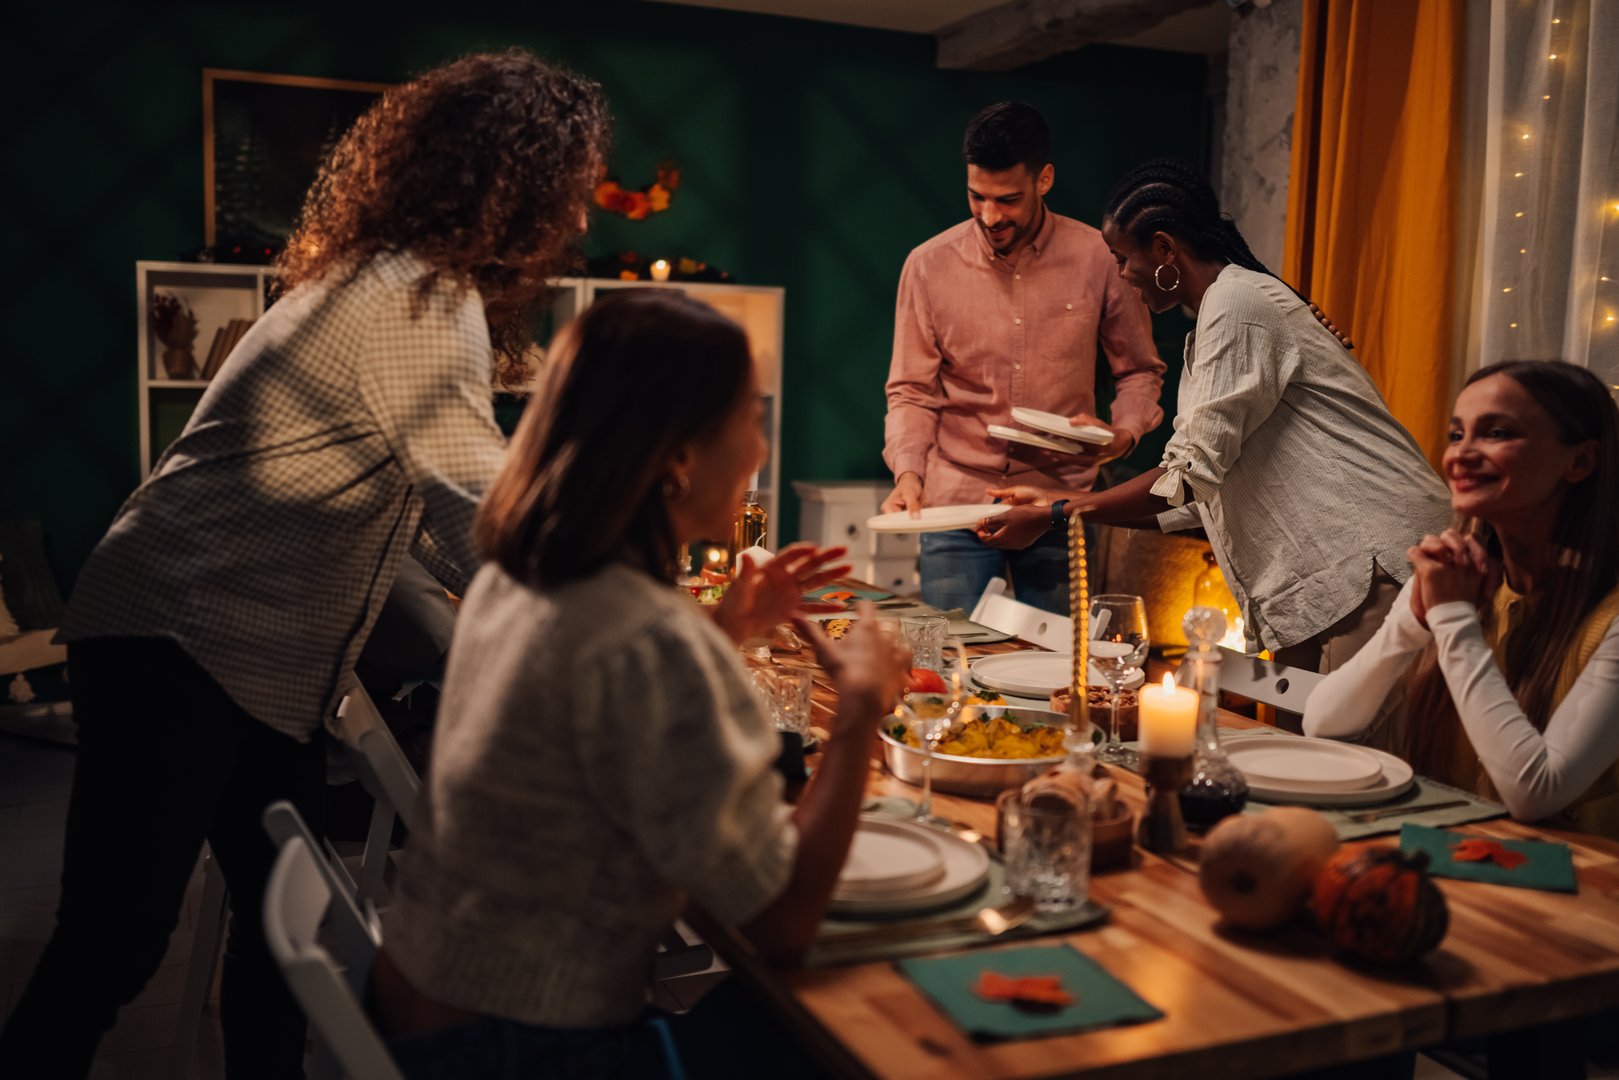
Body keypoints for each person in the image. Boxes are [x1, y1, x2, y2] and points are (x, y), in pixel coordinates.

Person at [0, 51, 611, 1080]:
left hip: (232, 658)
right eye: (570, 194)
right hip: (180, 638)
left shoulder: (381, 279)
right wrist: (618, 602)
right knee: (112, 942)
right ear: (514, 185)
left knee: (283, 929)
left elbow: (412, 507)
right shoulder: (420, 296)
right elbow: (471, 501)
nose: (580, 224)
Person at [370, 288, 910, 1078]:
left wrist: (721, 629)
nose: (759, 448)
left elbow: (611, 718)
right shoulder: (644, 636)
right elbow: (783, 921)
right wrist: (860, 710)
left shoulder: (517, 575)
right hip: (521, 1050)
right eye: (748, 419)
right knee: (859, 1018)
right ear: (679, 456)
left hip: (412, 1002)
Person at [978, 158, 1451, 674]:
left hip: (1369, 565)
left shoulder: (1237, 302)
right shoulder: (1213, 321)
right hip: (1330, 579)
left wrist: (1056, 514)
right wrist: (1056, 504)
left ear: (1163, 250)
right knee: (1305, 748)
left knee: (1357, 755)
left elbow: (1185, 480)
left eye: (1120, 258)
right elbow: (1189, 497)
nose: (1120, 274)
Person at [1306, 361, 1619, 836]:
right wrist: (1412, 624)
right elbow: (1325, 725)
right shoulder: (1460, 578)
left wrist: (1451, 617)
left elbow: (1536, 791)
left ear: (1579, 461)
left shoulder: (1609, 614)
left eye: (1496, 432)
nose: (1461, 455)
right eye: (1456, 435)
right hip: (1453, 862)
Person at [882, 102, 1166, 616]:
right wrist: (908, 475)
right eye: (977, 196)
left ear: (1045, 179)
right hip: (956, 505)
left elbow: (1140, 371)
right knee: (950, 668)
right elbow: (911, 392)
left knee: (1061, 674)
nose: (990, 216)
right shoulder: (927, 267)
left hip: (1059, 501)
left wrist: (1119, 437)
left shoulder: (1100, 257)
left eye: (1008, 200)